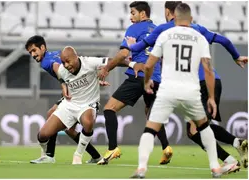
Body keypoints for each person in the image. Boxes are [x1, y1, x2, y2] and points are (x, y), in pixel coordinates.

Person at [126, 1, 248, 170]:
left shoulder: (163, 30)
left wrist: (131, 46)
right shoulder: (198, 29)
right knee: (199, 126)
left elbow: (141, 47)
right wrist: (236, 56)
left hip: (195, 83)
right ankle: (236, 144)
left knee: (195, 130)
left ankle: (227, 160)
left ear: (169, 12)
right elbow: (225, 41)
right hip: (213, 80)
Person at [97, 1, 173, 166]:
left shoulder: (135, 29)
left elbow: (123, 53)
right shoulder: (158, 30)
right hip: (157, 78)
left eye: (133, 13)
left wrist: (107, 68)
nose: (130, 17)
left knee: (109, 109)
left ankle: (112, 149)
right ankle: (166, 148)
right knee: (151, 114)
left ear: (143, 14)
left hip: (139, 76)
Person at [25, 36, 102, 164]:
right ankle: (96, 156)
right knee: (65, 126)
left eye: (34, 50)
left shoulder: (45, 61)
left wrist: (63, 84)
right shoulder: (55, 53)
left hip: (75, 94)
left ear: (42, 47)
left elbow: (57, 68)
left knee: (55, 118)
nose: (33, 55)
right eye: (30, 53)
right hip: (76, 89)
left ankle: (49, 156)